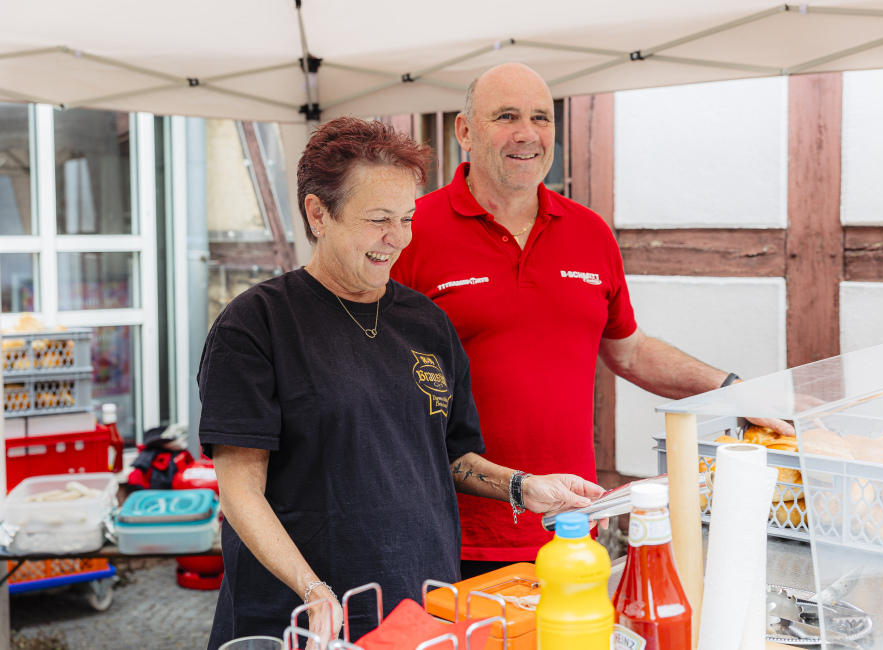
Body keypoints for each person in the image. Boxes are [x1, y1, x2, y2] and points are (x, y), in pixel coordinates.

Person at [198, 117, 604, 646]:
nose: (398, 238)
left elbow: (453, 457)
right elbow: (240, 491)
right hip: (302, 622)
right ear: (318, 214)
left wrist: (525, 488)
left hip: (420, 612)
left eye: (407, 218)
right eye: (378, 219)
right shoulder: (256, 325)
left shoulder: (425, 322)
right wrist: (313, 589)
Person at [391, 63, 793, 578]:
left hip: (573, 522)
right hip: (449, 531)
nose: (527, 134)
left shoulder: (589, 232)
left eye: (541, 117)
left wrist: (731, 389)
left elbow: (629, 349)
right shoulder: (412, 230)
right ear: (465, 131)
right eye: (506, 116)